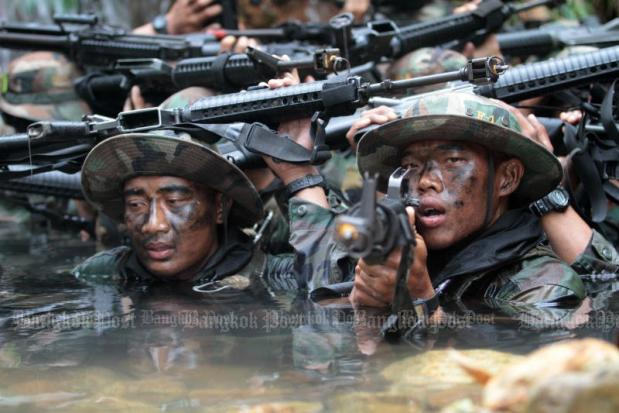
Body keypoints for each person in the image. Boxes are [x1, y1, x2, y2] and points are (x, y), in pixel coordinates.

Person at [71, 129, 306, 292]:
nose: (153, 224)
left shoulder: (277, 277)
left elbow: (331, 280)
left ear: (220, 207)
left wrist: (300, 176)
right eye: (136, 205)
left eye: (174, 201)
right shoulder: (100, 274)